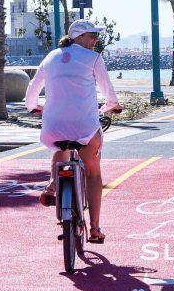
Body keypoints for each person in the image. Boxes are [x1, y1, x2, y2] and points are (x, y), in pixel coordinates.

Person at [25, 19, 122, 244]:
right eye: (91, 36)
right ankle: (95, 228)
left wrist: (33, 107)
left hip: (53, 126)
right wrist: (111, 106)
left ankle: (53, 184)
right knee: (93, 172)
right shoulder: (94, 58)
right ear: (78, 37)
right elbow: (110, 95)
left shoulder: (50, 57)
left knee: (60, 146)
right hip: (85, 127)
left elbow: (32, 91)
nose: (95, 41)